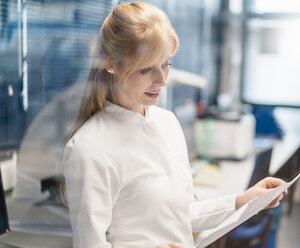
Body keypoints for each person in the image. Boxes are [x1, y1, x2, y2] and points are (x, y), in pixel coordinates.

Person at [61, 2, 286, 248]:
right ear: (111, 64)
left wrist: (243, 201)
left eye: (166, 64)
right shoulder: (90, 148)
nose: (162, 80)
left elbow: (181, 215)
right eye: (146, 69)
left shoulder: (167, 122)